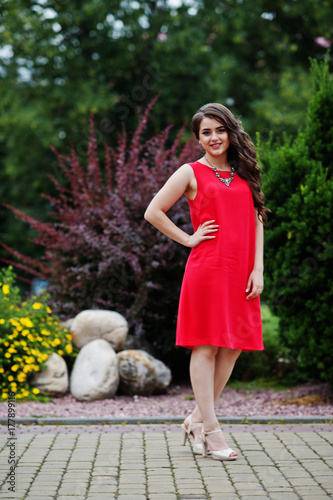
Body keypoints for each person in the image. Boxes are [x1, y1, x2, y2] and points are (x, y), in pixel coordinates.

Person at [144, 103, 268, 461]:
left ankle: (196, 420)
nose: (214, 138)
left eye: (219, 130)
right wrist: (187, 239)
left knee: (233, 347)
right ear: (198, 139)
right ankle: (212, 431)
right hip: (208, 269)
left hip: (242, 270)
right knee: (207, 346)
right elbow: (153, 211)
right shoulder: (190, 172)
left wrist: (257, 268)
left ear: (230, 132)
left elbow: (258, 219)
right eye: (206, 132)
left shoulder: (245, 172)